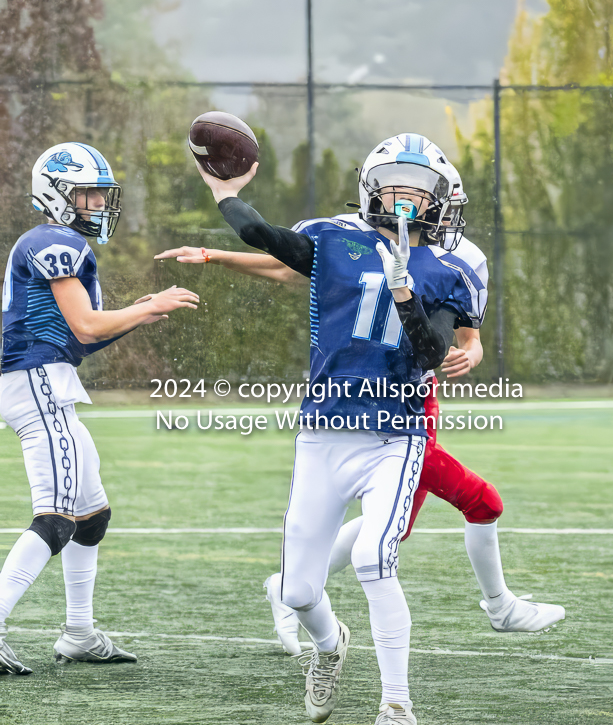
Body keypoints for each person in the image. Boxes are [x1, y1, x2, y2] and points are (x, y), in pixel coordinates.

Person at [180, 132, 501, 725]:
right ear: (372, 191)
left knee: (374, 558)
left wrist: (408, 295)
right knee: (299, 591)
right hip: (324, 429)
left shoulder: (448, 268)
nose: (405, 199)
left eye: (419, 190)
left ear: (439, 201)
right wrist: (224, 192)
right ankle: (330, 649)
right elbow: (265, 238)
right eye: (394, 187)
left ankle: (397, 709)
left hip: (395, 432)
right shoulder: (335, 238)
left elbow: (434, 351)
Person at [156, 202, 565, 658]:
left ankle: (287, 587)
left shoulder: (458, 255)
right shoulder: (350, 234)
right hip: (370, 406)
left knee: (398, 526)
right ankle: (499, 606)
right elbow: (288, 267)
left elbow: (469, 336)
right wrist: (217, 255)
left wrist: (472, 354)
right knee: (481, 500)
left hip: (415, 401)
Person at [0, 141, 199, 674]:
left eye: (98, 194)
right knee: (57, 517)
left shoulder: (58, 241)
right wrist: (151, 304)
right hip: (37, 383)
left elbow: (79, 340)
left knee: (92, 515)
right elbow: (86, 325)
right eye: (86, 193)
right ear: (56, 194)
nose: (96, 204)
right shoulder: (53, 240)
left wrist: (134, 315)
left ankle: (80, 634)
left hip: (48, 378)